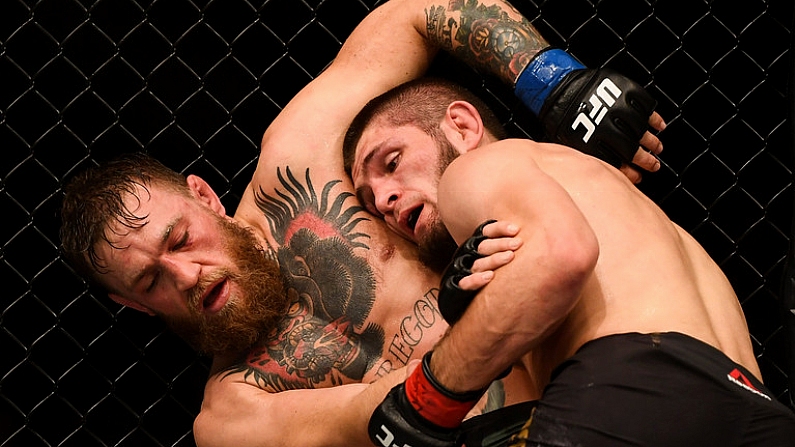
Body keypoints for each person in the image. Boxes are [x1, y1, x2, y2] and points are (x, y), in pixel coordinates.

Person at [59, 0, 664, 446]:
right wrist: (466, 320)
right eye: (150, 282)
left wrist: (555, 84)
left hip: (604, 378)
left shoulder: (299, 157)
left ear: (204, 196)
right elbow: (375, 419)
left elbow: (413, 13)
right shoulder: (233, 413)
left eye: (180, 238)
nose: (186, 275)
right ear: (134, 306)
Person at [343, 77, 795, 446]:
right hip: (759, 411)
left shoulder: (475, 168)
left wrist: (424, 402)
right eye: (369, 201)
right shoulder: (633, 214)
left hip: (635, 388)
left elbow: (564, 255)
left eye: (392, 161)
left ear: (461, 127)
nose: (384, 199)